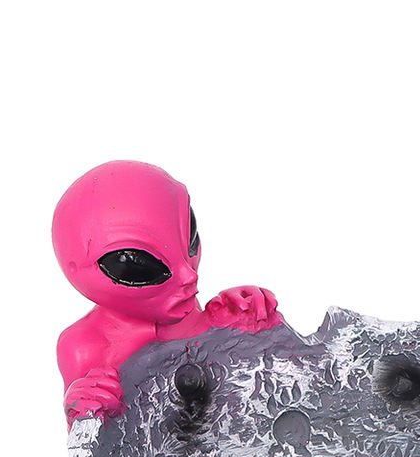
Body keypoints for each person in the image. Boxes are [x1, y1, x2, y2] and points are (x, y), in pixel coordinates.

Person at [53, 160, 282, 424]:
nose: (189, 276)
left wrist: (238, 317)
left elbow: (219, 363)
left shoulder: (180, 308)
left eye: (190, 237)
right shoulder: (86, 347)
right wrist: (83, 408)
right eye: (138, 266)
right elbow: (86, 440)